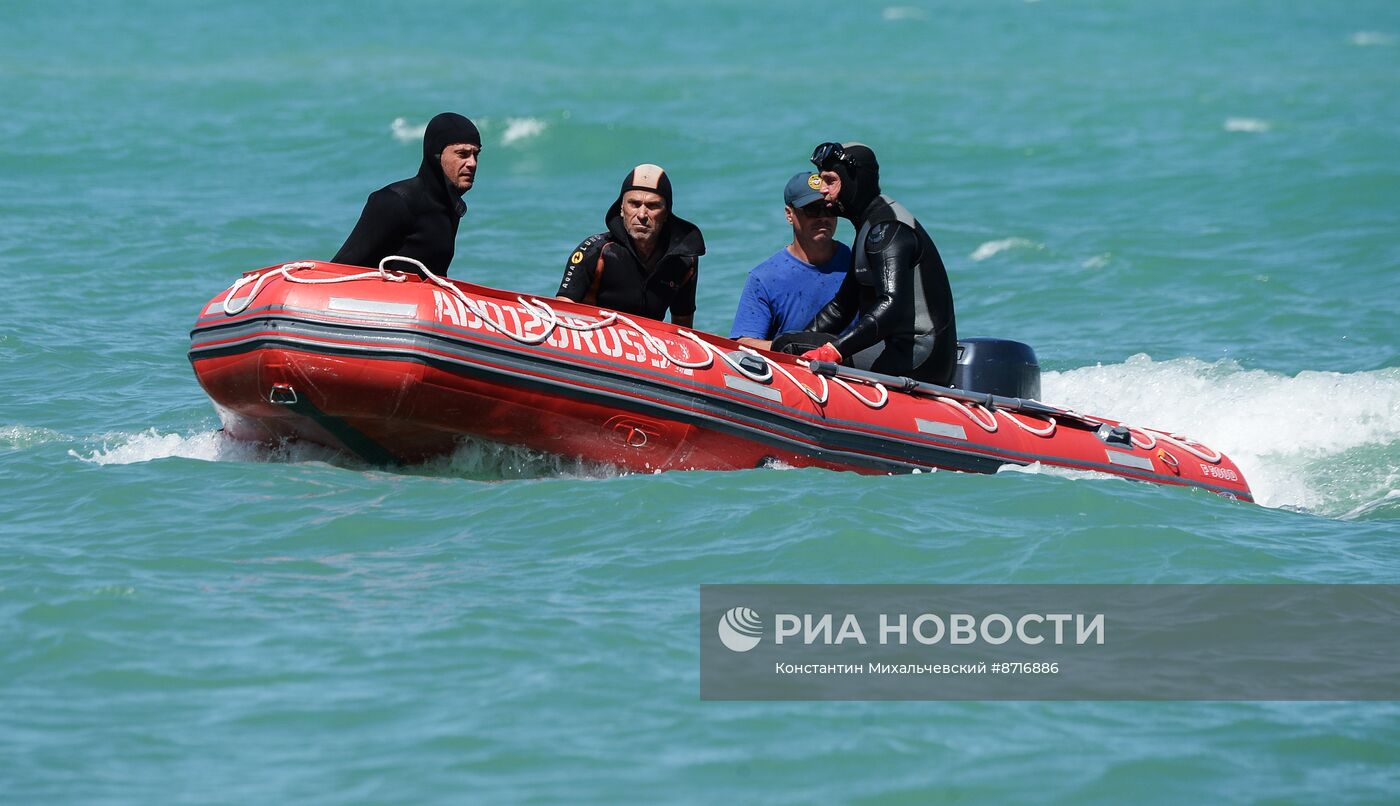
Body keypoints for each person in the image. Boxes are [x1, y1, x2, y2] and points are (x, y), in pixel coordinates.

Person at [785, 141, 957, 385]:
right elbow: (841, 308)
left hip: (918, 359)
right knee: (791, 341)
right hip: (900, 351)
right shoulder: (870, 224)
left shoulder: (887, 230)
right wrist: (795, 340)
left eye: (830, 180)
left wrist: (834, 350)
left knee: (790, 346)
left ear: (855, 180)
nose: (823, 190)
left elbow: (891, 307)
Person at [556, 164, 705, 328]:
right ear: (621, 208)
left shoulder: (683, 262)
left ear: (666, 213)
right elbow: (561, 312)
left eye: (653, 206)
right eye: (634, 204)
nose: (642, 215)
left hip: (648, 348)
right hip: (590, 341)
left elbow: (683, 330)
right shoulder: (595, 251)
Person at [333, 112, 481, 276]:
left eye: (476, 154)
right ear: (436, 155)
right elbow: (340, 269)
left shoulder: (450, 207)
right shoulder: (395, 202)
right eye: (462, 154)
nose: (472, 163)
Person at [728, 171, 851, 351]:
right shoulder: (764, 278)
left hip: (850, 371)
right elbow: (744, 343)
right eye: (812, 210)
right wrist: (790, 347)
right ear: (789, 214)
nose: (822, 217)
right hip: (792, 373)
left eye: (829, 208)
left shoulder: (857, 264)